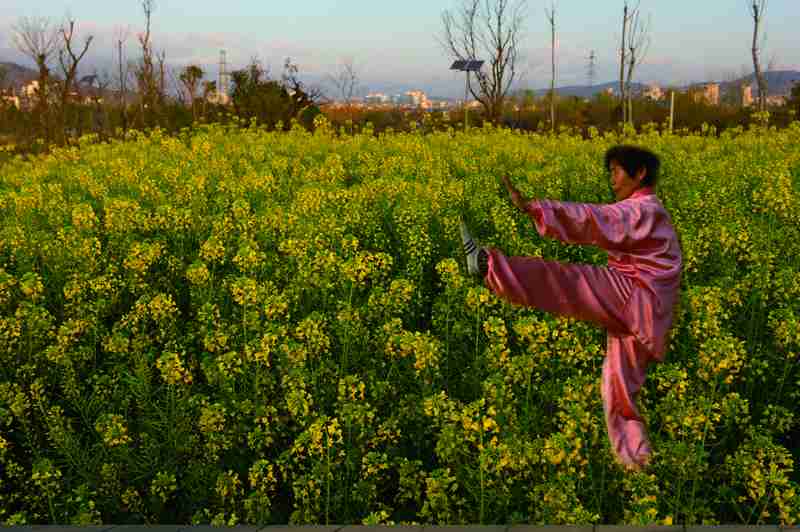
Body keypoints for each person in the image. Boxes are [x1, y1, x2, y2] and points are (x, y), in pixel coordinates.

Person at [460, 145, 682, 471]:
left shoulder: (643, 210)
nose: (612, 179)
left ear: (641, 174)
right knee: (617, 389)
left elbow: (598, 220)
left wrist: (538, 210)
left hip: (636, 295)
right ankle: (638, 464)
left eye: (618, 171)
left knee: (569, 282)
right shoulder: (649, 211)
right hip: (648, 315)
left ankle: (488, 265)